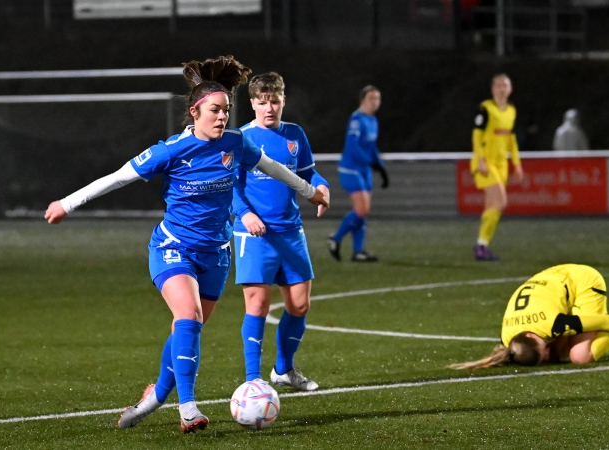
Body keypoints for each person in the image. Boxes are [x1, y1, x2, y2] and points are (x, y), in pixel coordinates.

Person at [44, 56, 328, 433]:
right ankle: (188, 408)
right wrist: (66, 204)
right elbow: (117, 178)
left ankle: (157, 395)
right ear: (195, 111)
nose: (222, 117)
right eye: (215, 110)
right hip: (173, 247)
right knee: (189, 317)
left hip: (216, 254)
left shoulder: (234, 142)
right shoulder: (170, 151)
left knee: (187, 327)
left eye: (226, 110)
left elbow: (270, 167)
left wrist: (310, 192)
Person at [232, 72, 329, 392]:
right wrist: (244, 214)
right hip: (253, 234)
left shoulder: (295, 135)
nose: (269, 108)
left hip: (290, 230)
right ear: (252, 104)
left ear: (283, 100)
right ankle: (251, 381)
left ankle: (283, 370)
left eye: (274, 101)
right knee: (257, 304)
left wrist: (322, 186)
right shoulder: (240, 138)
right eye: (262, 102)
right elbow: (227, 184)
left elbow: (308, 173)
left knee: (299, 304)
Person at [449, 264, 609, 369]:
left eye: (544, 348)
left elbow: (603, 320)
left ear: (531, 337)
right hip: (554, 281)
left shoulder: (553, 324)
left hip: (584, 282)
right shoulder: (509, 339)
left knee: (579, 357)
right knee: (559, 354)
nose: (547, 352)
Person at [326, 85, 388, 263]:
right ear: (362, 100)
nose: (375, 102)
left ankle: (358, 251)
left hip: (364, 170)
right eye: (371, 98)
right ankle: (335, 238)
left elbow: (372, 147)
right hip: (351, 169)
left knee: (362, 212)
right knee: (362, 209)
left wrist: (381, 167)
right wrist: (371, 162)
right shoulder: (357, 120)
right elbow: (353, 147)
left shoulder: (373, 120)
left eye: (378, 99)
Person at [470, 74, 523, 261]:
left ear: (510, 89)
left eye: (505, 85)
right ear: (493, 89)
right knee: (501, 202)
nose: (501, 89)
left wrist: (516, 163)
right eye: (498, 85)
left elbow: (511, 139)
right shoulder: (485, 109)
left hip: (502, 165)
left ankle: (482, 245)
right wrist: (481, 159)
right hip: (486, 163)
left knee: (491, 206)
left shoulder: (511, 111)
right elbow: (476, 136)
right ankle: (480, 245)